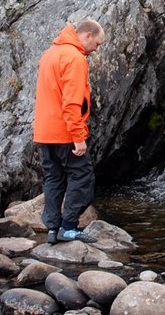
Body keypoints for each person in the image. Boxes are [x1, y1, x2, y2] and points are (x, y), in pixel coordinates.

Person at [33, 19, 105, 244]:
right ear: (88, 36)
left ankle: (53, 230)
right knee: (82, 177)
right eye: (98, 43)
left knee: (53, 178)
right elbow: (72, 103)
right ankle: (70, 227)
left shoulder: (50, 53)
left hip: (44, 131)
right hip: (64, 131)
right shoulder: (75, 58)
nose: (96, 49)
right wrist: (79, 137)